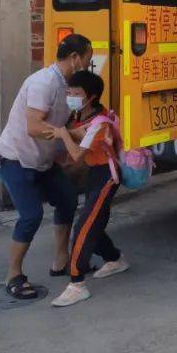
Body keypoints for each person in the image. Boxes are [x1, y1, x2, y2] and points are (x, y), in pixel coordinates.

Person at [0, 34, 93, 299]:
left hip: (42, 161)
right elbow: (34, 126)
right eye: (87, 59)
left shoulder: (68, 84)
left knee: (67, 200)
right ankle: (13, 275)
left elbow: (65, 122)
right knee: (31, 216)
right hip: (15, 158)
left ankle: (61, 261)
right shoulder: (44, 82)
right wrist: (65, 134)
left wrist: (80, 130)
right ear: (74, 58)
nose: (88, 64)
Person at [50, 70, 129, 307]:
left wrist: (64, 134)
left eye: (76, 93)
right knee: (93, 222)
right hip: (95, 173)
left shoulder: (99, 123)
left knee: (84, 225)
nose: (71, 96)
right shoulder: (78, 115)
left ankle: (77, 284)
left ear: (91, 97)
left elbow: (75, 155)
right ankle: (114, 259)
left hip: (107, 175)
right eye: (69, 92)